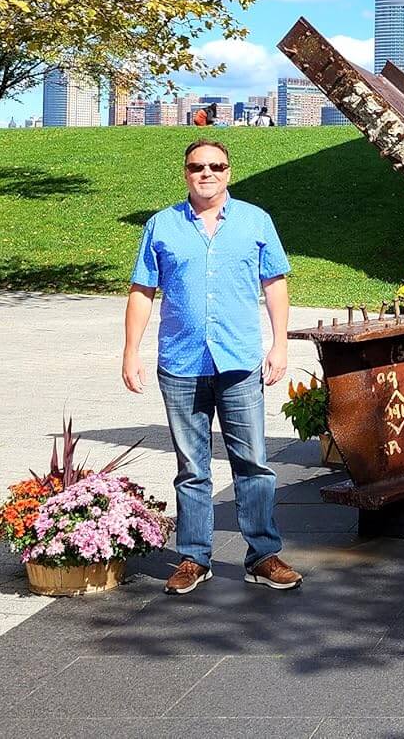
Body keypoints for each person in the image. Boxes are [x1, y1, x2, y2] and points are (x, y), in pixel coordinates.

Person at [124, 138, 302, 595]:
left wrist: (279, 345)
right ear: (185, 172)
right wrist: (130, 351)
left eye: (216, 166)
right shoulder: (161, 226)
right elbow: (142, 292)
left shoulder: (255, 221)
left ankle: (263, 556)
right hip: (181, 363)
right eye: (197, 166)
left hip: (240, 361)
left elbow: (274, 284)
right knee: (191, 466)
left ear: (229, 172)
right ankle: (193, 558)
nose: (207, 173)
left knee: (254, 463)